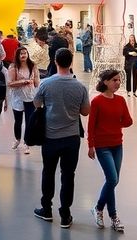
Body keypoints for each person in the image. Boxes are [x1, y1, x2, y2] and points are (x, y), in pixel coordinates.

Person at [33, 48, 90, 228]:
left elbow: (36, 103)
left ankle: (46, 209)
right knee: (68, 175)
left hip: (50, 137)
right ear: (71, 63)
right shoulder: (80, 86)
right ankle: (65, 214)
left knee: (48, 172)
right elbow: (85, 111)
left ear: (55, 62)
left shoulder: (46, 84)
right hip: (71, 138)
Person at [87, 69, 133, 232]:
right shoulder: (97, 101)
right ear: (105, 82)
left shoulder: (120, 100)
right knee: (112, 179)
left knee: (111, 181)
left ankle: (112, 216)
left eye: (119, 80)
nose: (117, 83)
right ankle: (100, 209)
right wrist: (90, 145)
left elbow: (128, 121)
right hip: (102, 145)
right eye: (114, 80)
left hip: (117, 144)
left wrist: (117, 123)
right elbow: (91, 126)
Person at [7, 46, 40, 155]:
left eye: (25, 53)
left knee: (29, 120)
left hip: (30, 96)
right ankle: (17, 139)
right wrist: (23, 82)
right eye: (21, 53)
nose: (23, 55)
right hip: (17, 97)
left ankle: (27, 142)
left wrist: (36, 81)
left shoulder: (32, 65)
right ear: (17, 55)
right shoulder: (13, 67)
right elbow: (10, 83)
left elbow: (36, 79)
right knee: (18, 120)